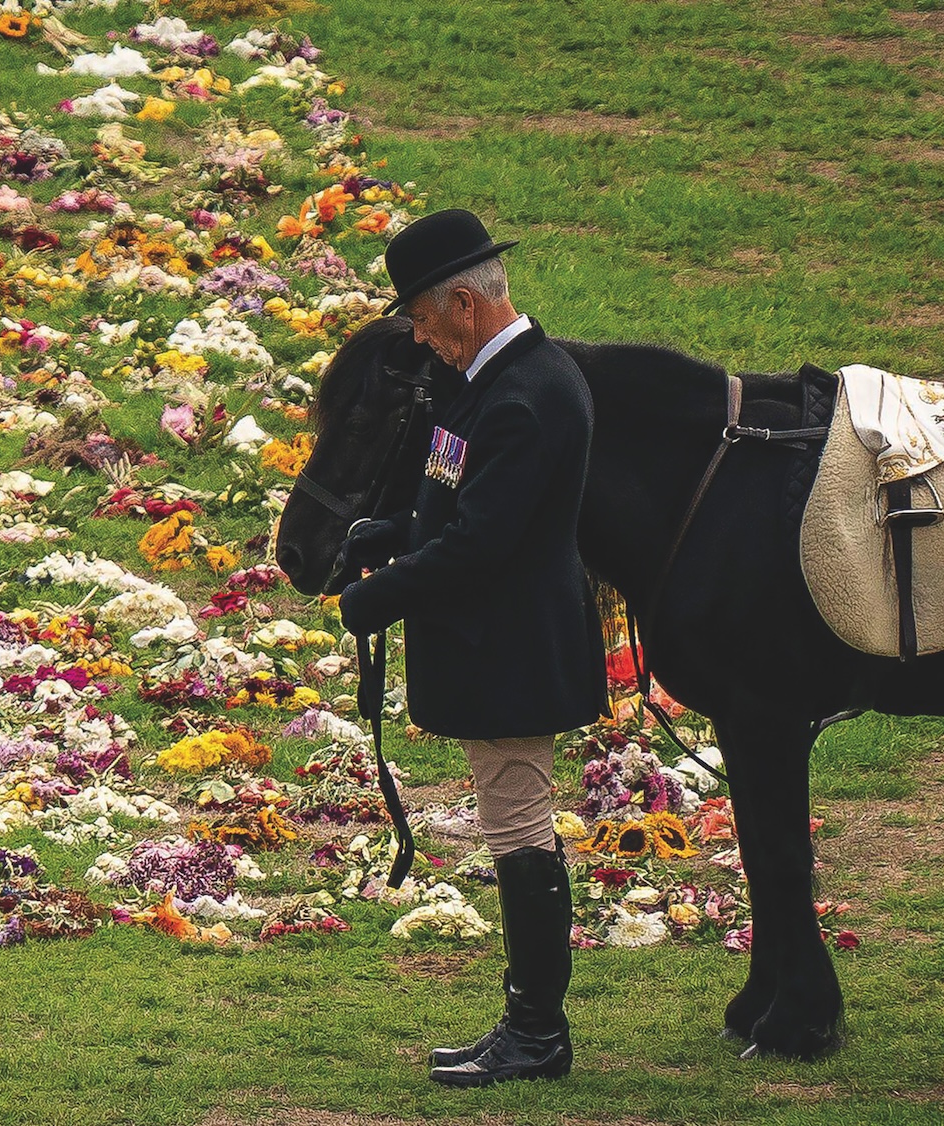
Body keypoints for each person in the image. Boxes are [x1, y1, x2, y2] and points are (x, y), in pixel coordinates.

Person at [333, 208, 607, 1087]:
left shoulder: (526, 395)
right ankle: (529, 1024)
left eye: (419, 320)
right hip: (500, 639)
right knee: (510, 825)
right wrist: (390, 531)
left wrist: (376, 598)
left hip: (514, 646)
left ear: (460, 302)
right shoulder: (497, 382)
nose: (421, 339)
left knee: (520, 829)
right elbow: (457, 497)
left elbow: (483, 544)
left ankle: (537, 1031)